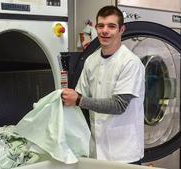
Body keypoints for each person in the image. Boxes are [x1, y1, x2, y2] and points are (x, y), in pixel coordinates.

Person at [62, 5, 145, 164]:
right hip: (97, 151)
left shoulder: (130, 62)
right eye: (100, 26)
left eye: (111, 26)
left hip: (124, 153)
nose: (104, 31)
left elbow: (119, 105)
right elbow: (80, 96)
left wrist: (79, 100)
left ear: (121, 30)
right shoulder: (91, 60)